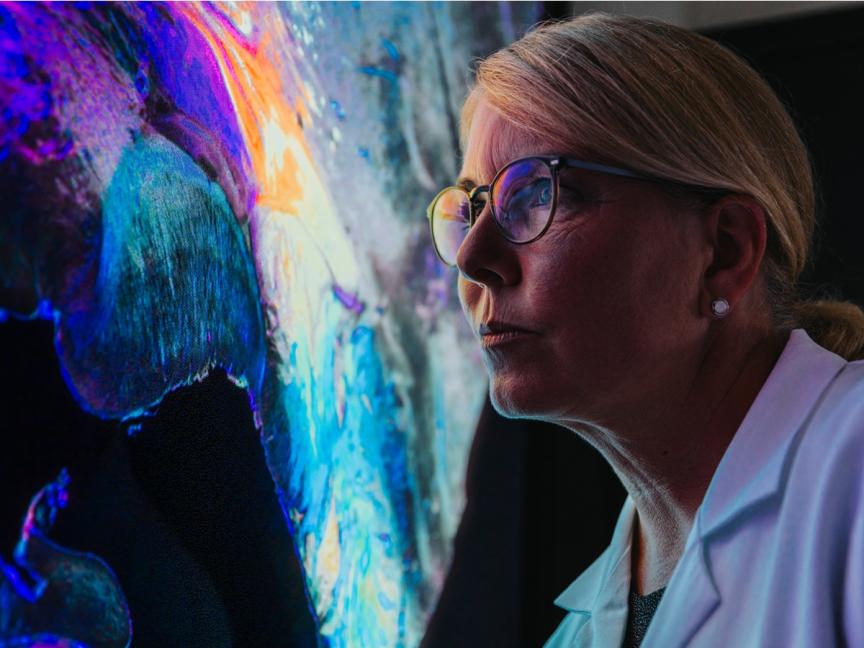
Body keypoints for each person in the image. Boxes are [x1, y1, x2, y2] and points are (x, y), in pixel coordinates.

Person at [426, 12, 864, 648]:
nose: (471, 258)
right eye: (471, 209)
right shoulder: (581, 632)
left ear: (724, 252)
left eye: (538, 194)